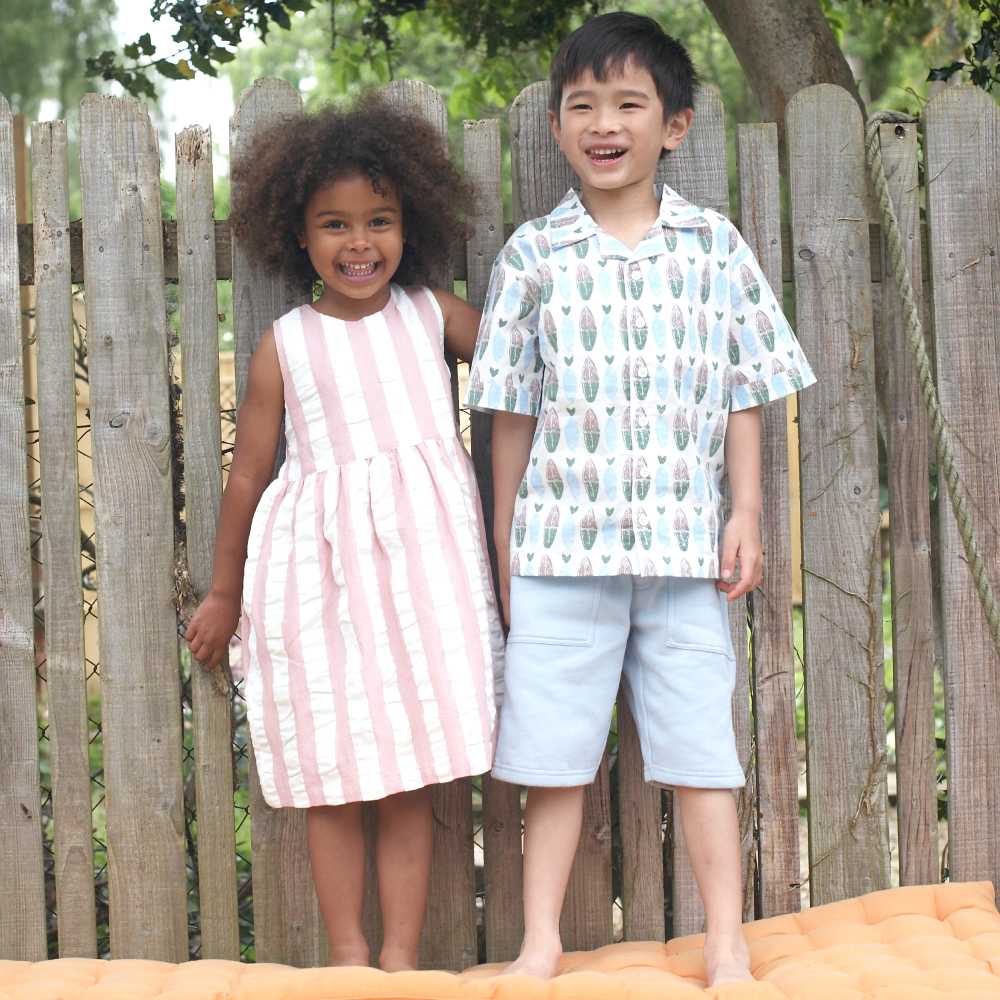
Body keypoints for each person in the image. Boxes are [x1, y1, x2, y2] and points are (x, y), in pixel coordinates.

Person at [467, 11, 816, 986]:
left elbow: (747, 387)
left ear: (675, 125)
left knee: (703, 750)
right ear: (555, 127)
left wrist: (744, 511)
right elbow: (508, 415)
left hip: (683, 551)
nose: (603, 122)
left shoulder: (714, 247)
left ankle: (725, 941)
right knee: (550, 758)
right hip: (558, 556)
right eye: (582, 105)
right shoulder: (533, 259)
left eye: (628, 103)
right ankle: (540, 938)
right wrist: (504, 544)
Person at [184, 95, 503, 972]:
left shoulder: (433, 315)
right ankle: (349, 958)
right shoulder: (284, 347)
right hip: (318, 581)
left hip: (422, 576)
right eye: (335, 225)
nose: (359, 243)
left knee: (407, 777)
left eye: (379, 221)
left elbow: (528, 374)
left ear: (412, 225)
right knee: (333, 775)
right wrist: (224, 592)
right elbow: (247, 477)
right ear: (298, 234)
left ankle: (399, 961)